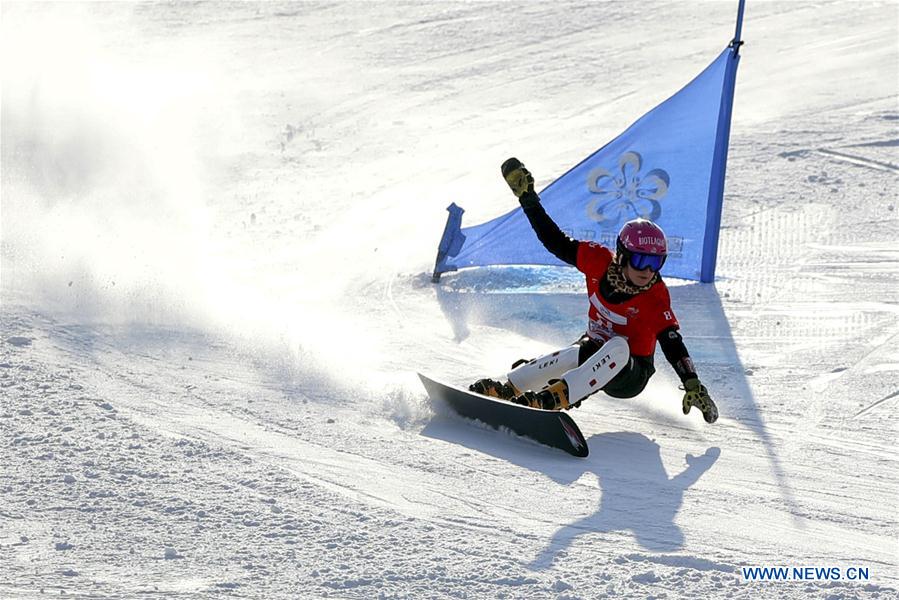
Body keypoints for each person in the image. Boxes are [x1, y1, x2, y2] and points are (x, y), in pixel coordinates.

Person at [470, 158, 718, 423]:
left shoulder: (654, 295)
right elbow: (555, 242)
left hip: (631, 373)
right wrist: (528, 199)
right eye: (640, 260)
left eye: (656, 262)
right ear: (622, 256)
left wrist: (692, 382)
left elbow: (671, 341)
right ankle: (509, 389)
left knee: (618, 345)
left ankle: (554, 399)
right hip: (593, 353)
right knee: (574, 353)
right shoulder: (597, 260)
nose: (648, 270)